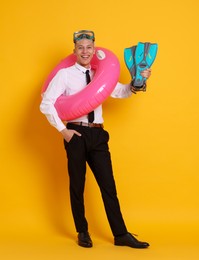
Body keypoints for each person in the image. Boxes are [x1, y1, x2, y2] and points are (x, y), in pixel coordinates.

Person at [40, 30, 151, 249]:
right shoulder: (64, 75)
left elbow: (120, 91)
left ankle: (120, 235)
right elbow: (46, 103)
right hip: (76, 134)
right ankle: (82, 232)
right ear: (74, 51)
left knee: (108, 186)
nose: (85, 51)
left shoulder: (100, 74)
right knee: (77, 185)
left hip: (98, 135)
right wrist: (64, 131)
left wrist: (138, 82)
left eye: (89, 47)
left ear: (94, 49)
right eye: (80, 47)